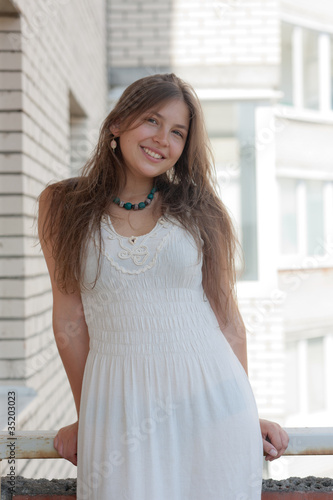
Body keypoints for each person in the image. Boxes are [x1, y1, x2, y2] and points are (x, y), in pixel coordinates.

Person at [38, 73, 289, 500]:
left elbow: (229, 323)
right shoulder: (61, 205)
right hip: (118, 408)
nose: (162, 140)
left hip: (214, 405)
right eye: (151, 121)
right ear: (117, 123)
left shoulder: (201, 211)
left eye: (177, 132)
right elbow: (69, 325)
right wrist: (90, 417)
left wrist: (249, 414)